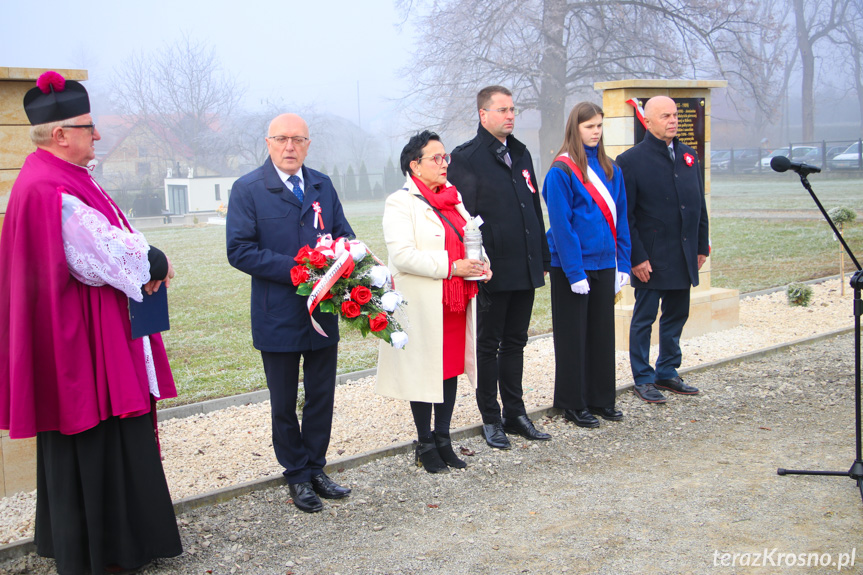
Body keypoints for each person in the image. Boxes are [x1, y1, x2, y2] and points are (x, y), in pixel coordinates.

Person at [0, 71, 182, 574]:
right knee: (94, 431)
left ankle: (114, 541)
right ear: (59, 134)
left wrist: (147, 256)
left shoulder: (59, 177)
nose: (97, 134)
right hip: (81, 343)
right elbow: (99, 255)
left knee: (93, 437)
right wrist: (156, 261)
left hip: (84, 331)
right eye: (88, 126)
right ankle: (108, 551)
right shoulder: (50, 189)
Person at [226, 113, 354, 513]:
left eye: (298, 139)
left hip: (324, 310)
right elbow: (240, 250)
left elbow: (344, 234)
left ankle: (316, 467)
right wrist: (298, 270)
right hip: (277, 314)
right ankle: (296, 476)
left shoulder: (322, 185)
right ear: (268, 142)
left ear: (308, 144)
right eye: (281, 139)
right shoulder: (248, 189)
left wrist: (345, 258)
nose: (290, 147)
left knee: (321, 396)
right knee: (284, 401)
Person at [376, 130, 491, 473]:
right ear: (415, 165)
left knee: (449, 370)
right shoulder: (400, 202)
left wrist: (482, 265)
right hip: (423, 302)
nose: (444, 164)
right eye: (436, 158)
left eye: (446, 158)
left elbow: (469, 237)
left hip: (454, 301)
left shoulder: (453, 198)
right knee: (424, 371)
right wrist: (452, 266)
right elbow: (402, 256)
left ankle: (444, 438)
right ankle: (424, 442)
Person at [447, 85, 551, 449]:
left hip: (524, 266)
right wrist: (476, 266)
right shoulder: (467, 159)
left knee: (516, 343)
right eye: (503, 110)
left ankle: (515, 412)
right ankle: (491, 418)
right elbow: (464, 220)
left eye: (512, 110)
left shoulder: (520, 153)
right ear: (483, 115)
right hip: (492, 270)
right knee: (488, 345)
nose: (510, 116)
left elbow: (533, 209)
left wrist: (542, 256)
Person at [542, 102, 632, 428]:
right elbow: (562, 226)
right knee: (573, 337)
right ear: (575, 128)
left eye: (599, 126)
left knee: (601, 336)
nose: (595, 132)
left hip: (605, 262)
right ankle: (573, 402)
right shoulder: (560, 171)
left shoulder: (611, 169)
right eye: (589, 126)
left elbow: (621, 219)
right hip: (572, 267)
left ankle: (601, 398)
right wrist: (574, 271)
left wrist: (623, 263)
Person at [616, 96, 709, 404]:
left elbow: (698, 205)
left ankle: (667, 370)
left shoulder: (688, 155)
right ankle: (643, 378)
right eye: (665, 116)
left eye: (674, 115)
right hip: (651, 257)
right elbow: (625, 215)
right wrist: (636, 257)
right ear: (649, 121)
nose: (673, 120)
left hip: (683, 253)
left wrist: (700, 244)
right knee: (644, 319)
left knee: (676, 315)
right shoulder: (630, 161)